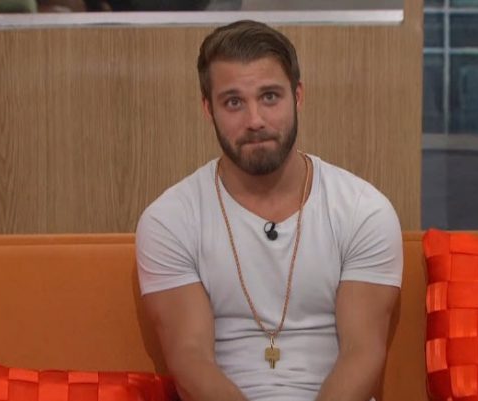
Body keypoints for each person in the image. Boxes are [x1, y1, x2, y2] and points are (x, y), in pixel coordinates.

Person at [136, 20, 403, 401]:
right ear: (208, 109)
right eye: (233, 102)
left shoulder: (363, 210)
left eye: (270, 97)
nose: (255, 120)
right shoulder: (170, 220)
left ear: (298, 96)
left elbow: (363, 352)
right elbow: (189, 358)